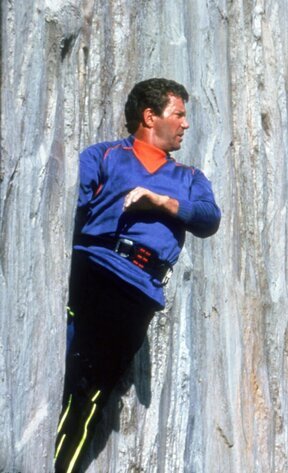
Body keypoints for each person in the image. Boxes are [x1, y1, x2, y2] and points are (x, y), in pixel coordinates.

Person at [53, 78, 221, 473]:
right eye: (178, 114)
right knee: (68, 371)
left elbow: (209, 219)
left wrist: (160, 200)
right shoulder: (105, 155)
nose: (185, 124)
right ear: (150, 117)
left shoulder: (190, 178)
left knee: (93, 391)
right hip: (93, 271)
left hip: (138, 290)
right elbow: (71, 203)